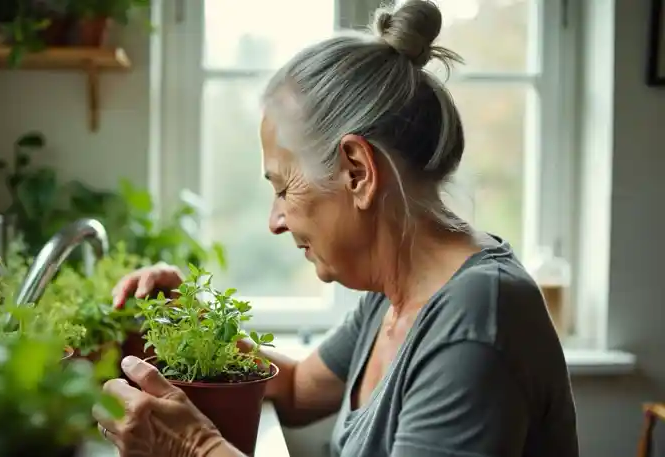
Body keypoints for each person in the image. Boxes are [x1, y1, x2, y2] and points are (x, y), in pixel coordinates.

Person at [93, 1, 580, 456]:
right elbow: (297, 387)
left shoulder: (474, 324)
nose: (275, 221)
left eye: (284, 187)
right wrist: (190, 321)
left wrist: (196, 447)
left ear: (358, 172)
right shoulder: (394, 295)